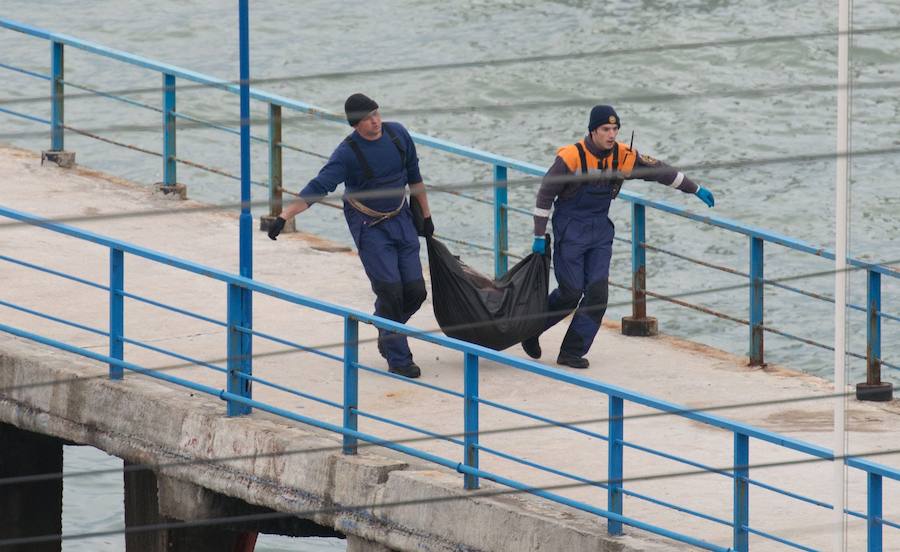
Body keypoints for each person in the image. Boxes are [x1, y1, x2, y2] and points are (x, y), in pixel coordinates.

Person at [522, 105, 715, 369]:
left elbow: (659, 171)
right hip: (571, 230)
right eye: (605, 129)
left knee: (598, 293)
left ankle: (572, 352)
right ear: (593, 131)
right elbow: (545, 194)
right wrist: (538, 235)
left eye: (615, 129)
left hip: (600, 232)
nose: (611, 134)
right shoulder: (571, 158)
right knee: (570, 291)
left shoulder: (623, 157)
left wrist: (695, 188)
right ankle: (530, 329)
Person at [268, 93, 434, 379]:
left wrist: (427, 216)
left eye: (377, 114)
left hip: (401, 217)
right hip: (369, 224)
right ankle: (399, 358)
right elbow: (318, 187)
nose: (376, 121)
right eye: (368, 118)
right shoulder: (347, 153)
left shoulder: (398, 135)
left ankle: (386, 329)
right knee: (389, 289)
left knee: (416, 291)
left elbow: (415, 178)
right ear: (355, 124)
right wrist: (284, 216)